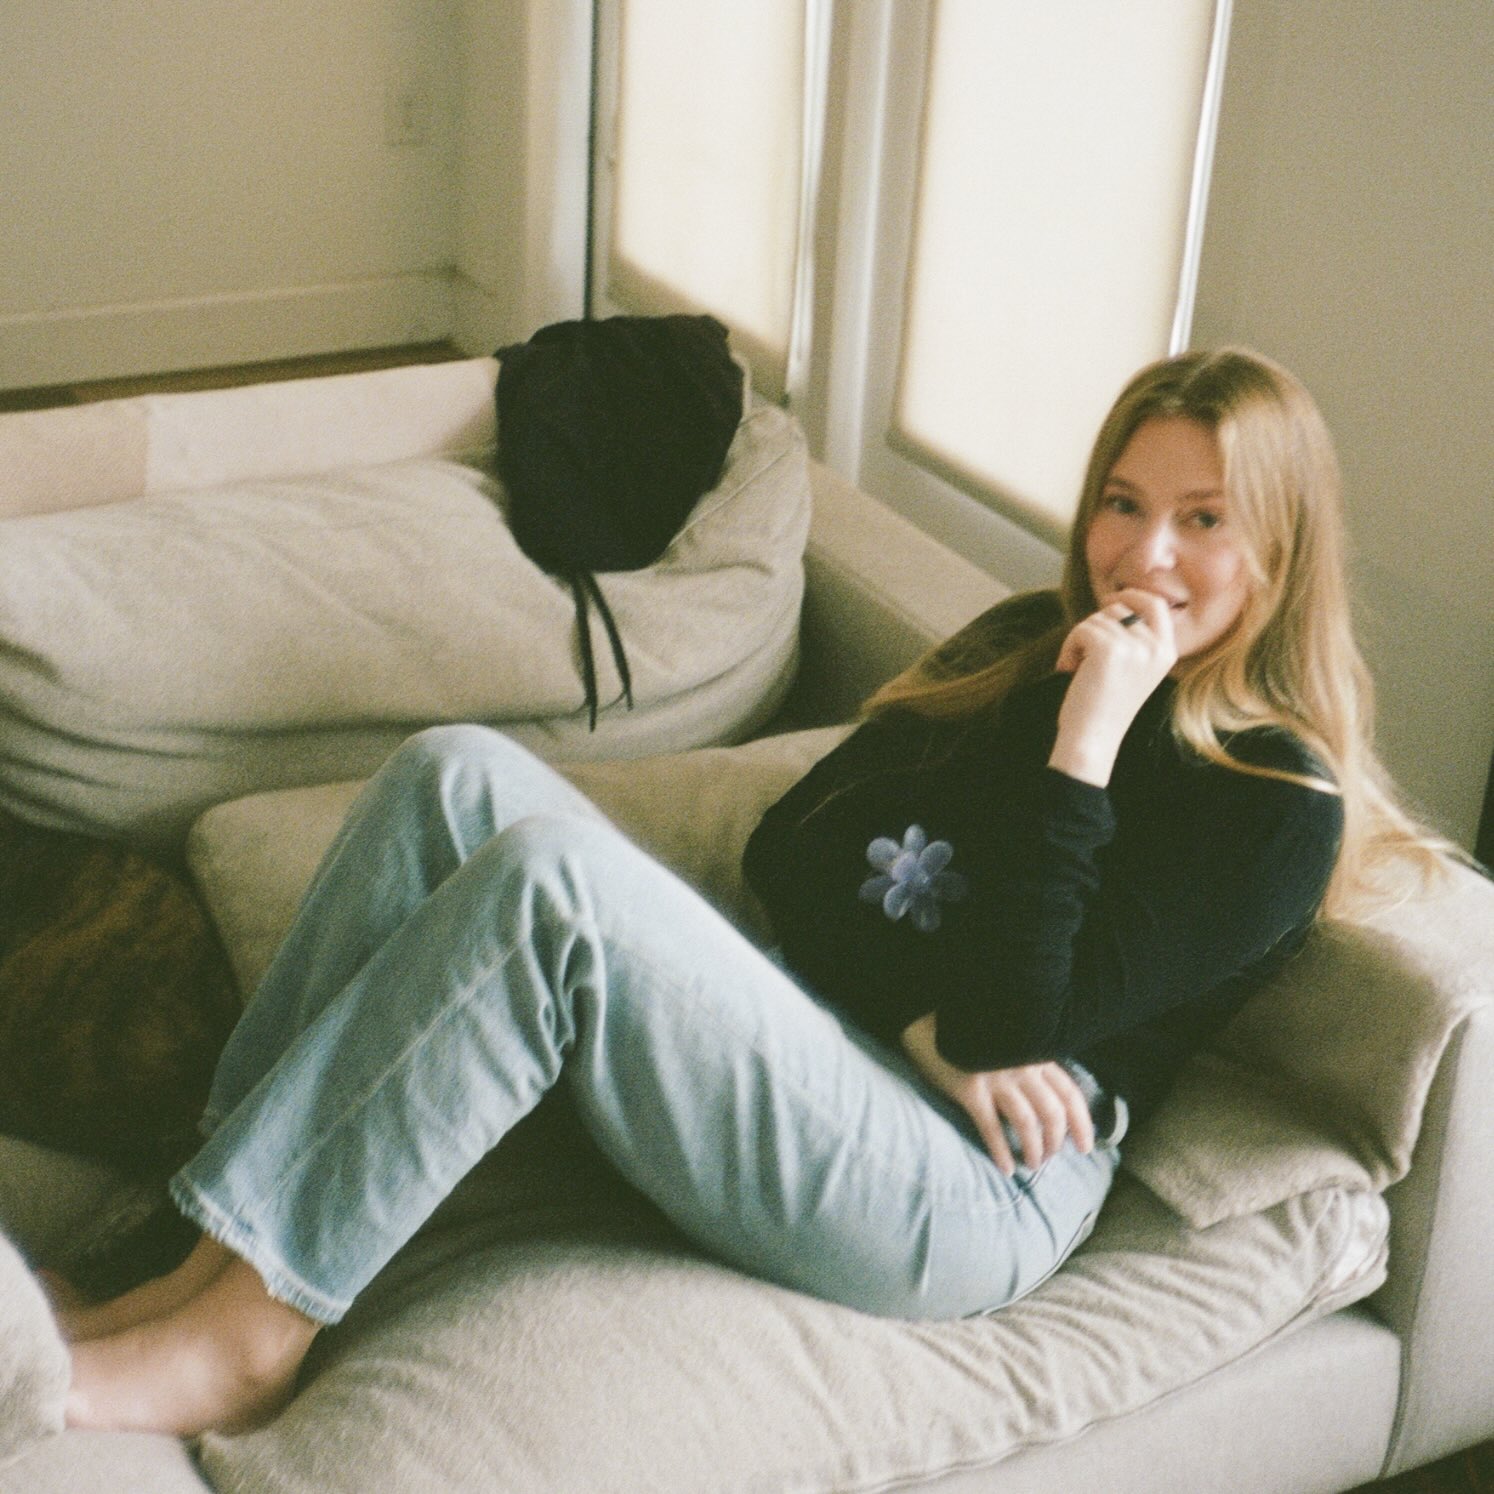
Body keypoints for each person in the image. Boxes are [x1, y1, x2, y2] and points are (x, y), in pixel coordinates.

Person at [60, 346, 1440, 1437]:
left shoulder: (1271, 805)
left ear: (1276, 551)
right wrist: (919, 1025)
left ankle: (249, 1333)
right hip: (870, 1055)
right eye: (1123, 505)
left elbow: (1023, 1014)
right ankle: (193, 1238)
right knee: (450, 773)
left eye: (1203, 522)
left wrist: (1084, 747)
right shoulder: (1027, 638)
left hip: (974, 1190)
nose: (1144, 557)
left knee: (543, 884)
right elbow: (798, 848)